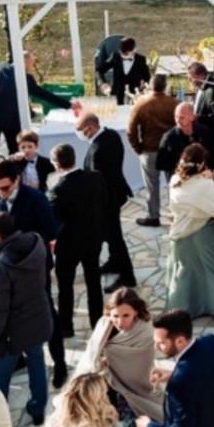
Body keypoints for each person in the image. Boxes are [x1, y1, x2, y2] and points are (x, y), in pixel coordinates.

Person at [0, 157, 67, 387]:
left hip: (33, 267)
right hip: (5, 268)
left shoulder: (36, 199)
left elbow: (49, 232)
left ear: (17, 180)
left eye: (5, 188)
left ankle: (59, 362)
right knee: (8, 314)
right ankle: (18, 357)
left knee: (46, 311)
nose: (0, 193)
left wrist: (20, 241)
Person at [0, 211, 52, 425]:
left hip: (11, 332)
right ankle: (38, 409)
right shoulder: (35, 242)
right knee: (37, 364)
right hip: (37, 319)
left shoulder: (0, 266)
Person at [77, 288, 163, 427]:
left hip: (136, 391)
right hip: (107, 391)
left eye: (126, 315)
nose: (119, 321)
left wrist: (109, 360)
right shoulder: (104, 326)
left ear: (136, 312)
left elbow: (139, 367)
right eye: (115, 315)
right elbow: (90, 357)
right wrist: (100, 367)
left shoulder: (145, 333)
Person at [165, 143, 214, 325]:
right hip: (205, 234)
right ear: (201, 164)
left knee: (185, 275)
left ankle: (185, 310)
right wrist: (211, 180)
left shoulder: (174, 181)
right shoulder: (204, 186)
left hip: (180, 236)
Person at [49, 143, 107, 337]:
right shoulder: (95, 178)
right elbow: (104, 202)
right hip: (92, 238)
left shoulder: (58, 189)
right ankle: (97, 322)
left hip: (68, 244)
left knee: (65, 286)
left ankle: (66, 326)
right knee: (94, 282)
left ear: (57, 164)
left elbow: (53, 220)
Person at [78, 112, 136, 292]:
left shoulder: (98, 149)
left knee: (114, 237)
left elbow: (98, 181)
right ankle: (113, 262)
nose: (79, 134)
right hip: (115, 194)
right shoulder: (111, 135)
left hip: (106, 200)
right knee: (110, 235)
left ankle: (127, 276)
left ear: (90, 127)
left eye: (80, 130)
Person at [0, 52, 79, 153]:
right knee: (15, 150)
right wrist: (69, 105)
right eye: (32, 63)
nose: (32, 66)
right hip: (11, 119)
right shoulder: (24, 78)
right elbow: (43, 94)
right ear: (25, 61)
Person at [127, 74, 178, 228]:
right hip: (170, 149)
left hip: (149, 150)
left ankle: (153, 216)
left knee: (151, 185)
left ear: (150, 86)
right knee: (174, 183)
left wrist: (137, 147)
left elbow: (130, 130)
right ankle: (176, 214)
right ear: (165, 86)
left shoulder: (141, 104)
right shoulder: (174, 103)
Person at [187, 61, 214, 144]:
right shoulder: (202, 88)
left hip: (211, 138)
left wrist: (198, 118)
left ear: (201, 75)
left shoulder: (213, 90)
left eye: (190, 78)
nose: (190, 81)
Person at [107, 37, 151, 104]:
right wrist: (102, 83)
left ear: (134, 50)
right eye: (122, 53)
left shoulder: (141, 60)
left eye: (126, 54)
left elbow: (147, 77)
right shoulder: (115, 57)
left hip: (135, 97)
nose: (123, 56)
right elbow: (100, 69)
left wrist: (143, 85)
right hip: (117, 97)